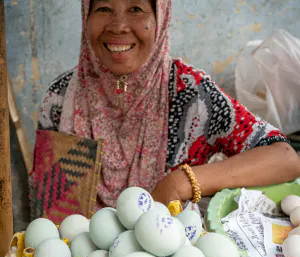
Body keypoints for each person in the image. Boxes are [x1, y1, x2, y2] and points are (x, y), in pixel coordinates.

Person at [34, 0, 300, 216]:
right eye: (103, 8)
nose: (118, 26)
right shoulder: (62, 97)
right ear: (86, 14)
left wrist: (181, 182)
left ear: (160, 16)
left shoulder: (191, 93)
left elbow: (284, 156)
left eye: (136, 8)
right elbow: (52, 214)